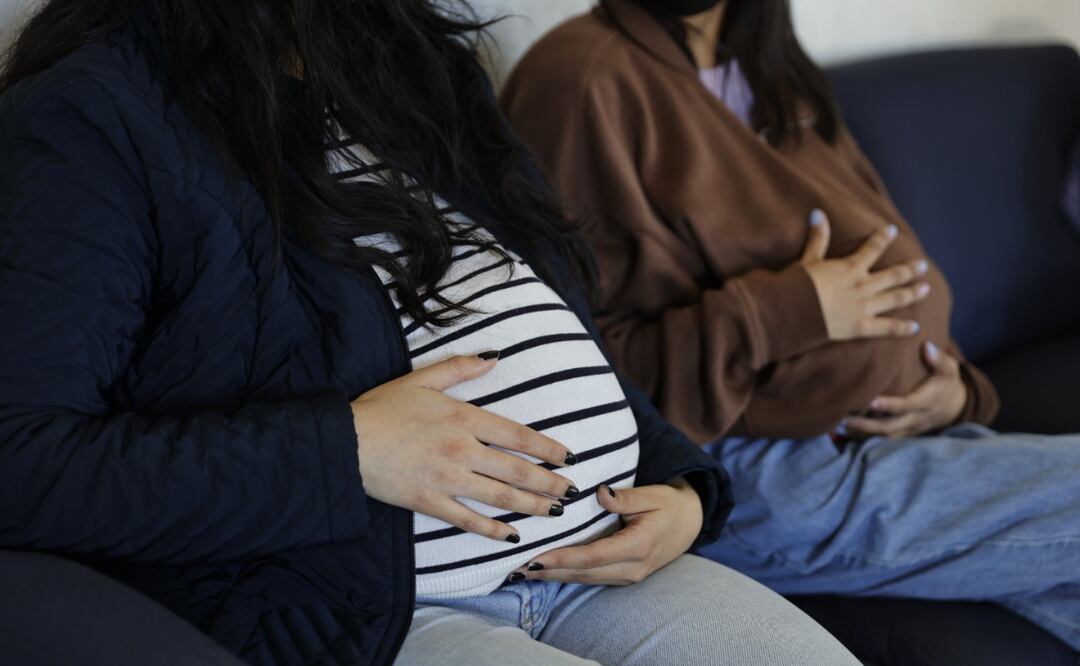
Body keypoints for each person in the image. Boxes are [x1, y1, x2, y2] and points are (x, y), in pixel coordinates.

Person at [0, 0, 862, 664]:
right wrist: (348, 453)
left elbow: (537, 319)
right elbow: (23, 462)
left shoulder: (412, 67)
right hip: (369, 608)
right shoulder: (91, 118)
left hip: (593, 560)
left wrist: (681, 486)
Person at [501, 0, 1080, 653]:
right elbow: (574, 371)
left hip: (865, 431)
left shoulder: (771, 69)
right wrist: (790, 309)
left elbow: (885, 244)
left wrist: (956, 390)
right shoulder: (580, 78)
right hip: (735, 465)